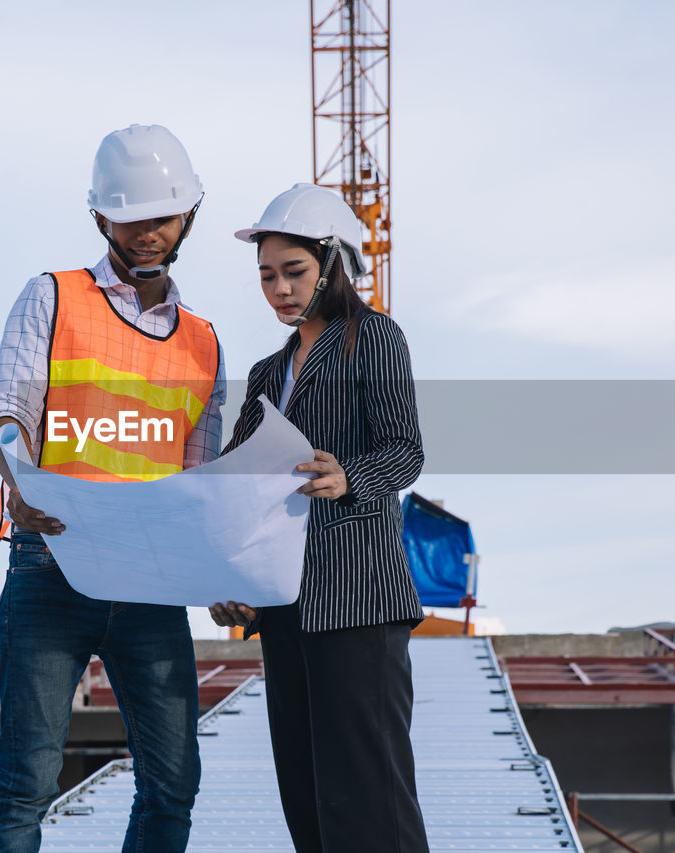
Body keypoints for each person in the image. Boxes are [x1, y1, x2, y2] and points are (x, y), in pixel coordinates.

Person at [0, 124, 225, 853]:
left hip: (149, 581)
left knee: (174, 780)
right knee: (26, 780)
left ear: (186, 218)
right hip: (52, 566)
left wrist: (215, 572)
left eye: (162, 216)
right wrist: (18, 477)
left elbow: (197, 480)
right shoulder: (53, 297)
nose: (147, 231)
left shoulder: (204, 341)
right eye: (130, 216)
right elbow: (5, 408)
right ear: (100, 217)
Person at [209, 184, 430, 852]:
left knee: (370, 792)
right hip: (284, 605)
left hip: (358, 598)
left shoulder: (374, 339)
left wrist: (348, 476)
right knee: (305, 792)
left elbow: (405, 451)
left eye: (293, 271)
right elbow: (236, 484)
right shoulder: (265, 372)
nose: (278, 287)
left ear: (335, 263)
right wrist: (230, 576)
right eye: (267, 275)